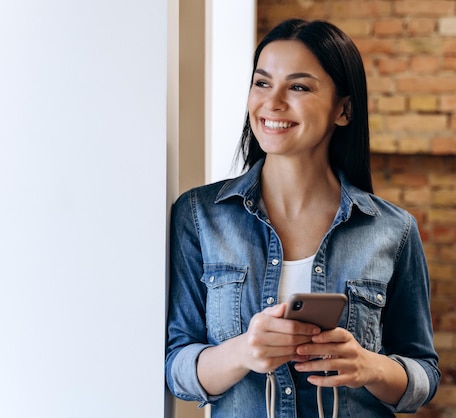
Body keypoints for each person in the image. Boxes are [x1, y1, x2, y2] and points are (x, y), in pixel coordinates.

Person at [165, 18, 440, 418]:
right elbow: (176, 369)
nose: (272, 102)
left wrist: (368, 366)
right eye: (262, 83)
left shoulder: (392, 229)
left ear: (343, 109)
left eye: (298, 86)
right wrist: (244, 351)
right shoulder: (199, 216)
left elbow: (424, 376)